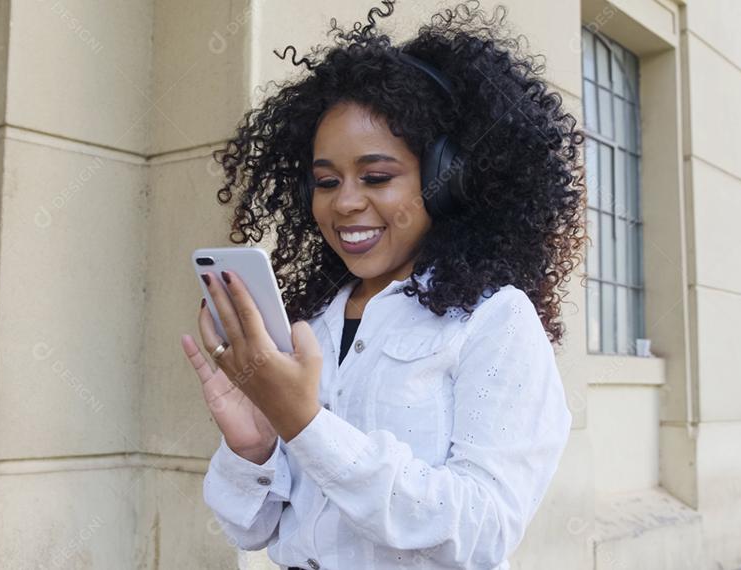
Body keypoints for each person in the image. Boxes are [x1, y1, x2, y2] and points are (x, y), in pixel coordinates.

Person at [178, 1, 586, 567]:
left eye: (376, 177)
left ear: (443, 179)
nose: (345, 202)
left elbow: (481, 530)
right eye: (325, 181)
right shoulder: (311, 320)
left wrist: (307, 425)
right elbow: (253, 531)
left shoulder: (495, 320)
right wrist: (254, 446)